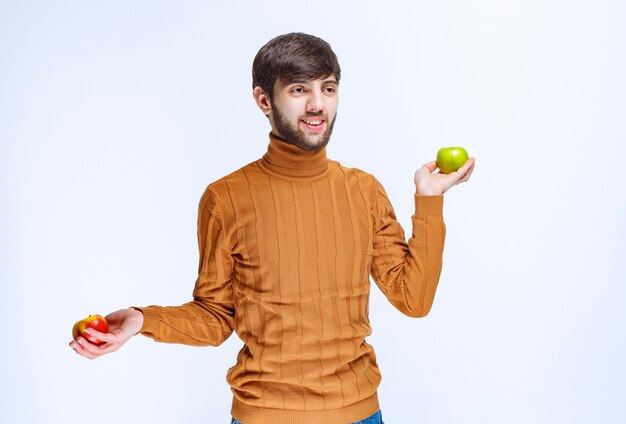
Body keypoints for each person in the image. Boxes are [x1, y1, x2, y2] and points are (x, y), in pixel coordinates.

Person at [69, 32, 475, 424]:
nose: (318, 104)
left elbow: (413, 299)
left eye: (328, 89)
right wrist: (143, 321)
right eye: (299, 90)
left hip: (359, 414)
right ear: (264, 99)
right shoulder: (226, 198)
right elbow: (215, 316)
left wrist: (429, 199)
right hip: (262, 416)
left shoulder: (364, 191)